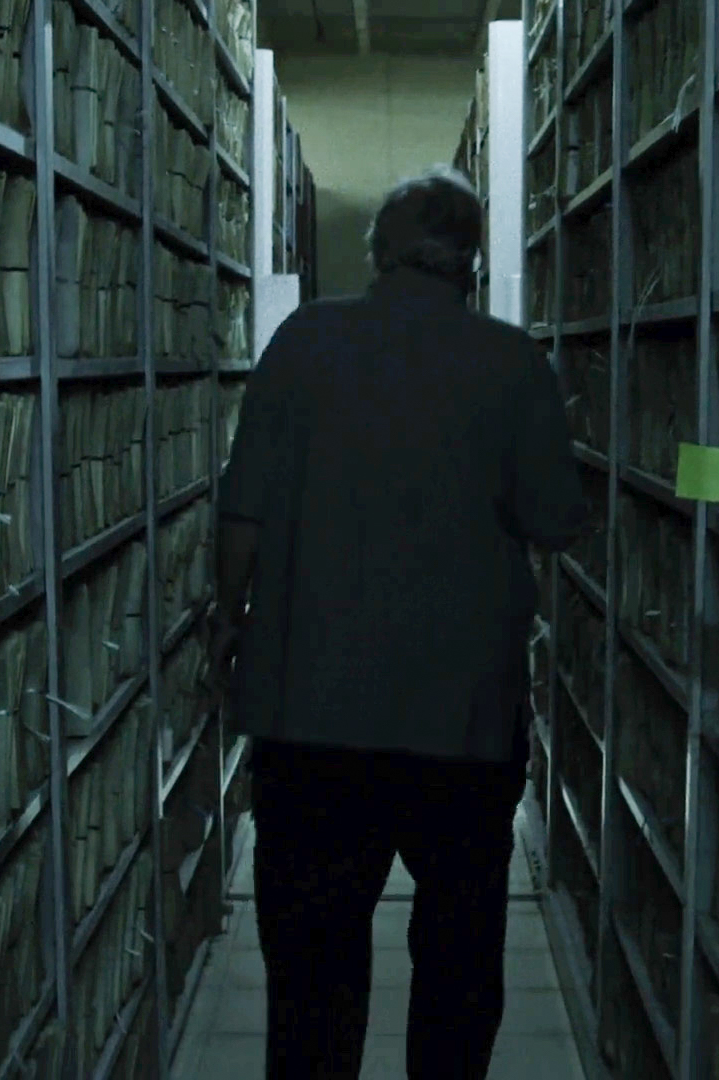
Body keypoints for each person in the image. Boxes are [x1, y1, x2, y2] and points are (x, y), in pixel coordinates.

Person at [206, 165, 588, 1080]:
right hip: (462, 720)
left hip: (312, 714)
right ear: (473, 260)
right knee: (458, 957)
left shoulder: (303, 341)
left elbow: (243, 511)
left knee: (312, 967)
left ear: (378, 250)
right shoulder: (512, 362)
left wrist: (228, 621)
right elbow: (557, 521)